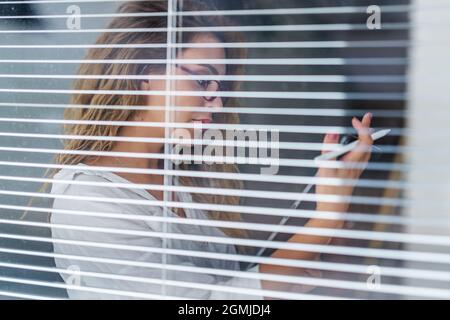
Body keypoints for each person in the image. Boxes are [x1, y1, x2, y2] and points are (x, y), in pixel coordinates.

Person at [49, 1, 374, 299]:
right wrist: (325, 218)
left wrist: (333, 208)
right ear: (145, 75)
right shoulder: (90, 201)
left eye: (221, 88)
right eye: (203, 82)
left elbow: (229, 289)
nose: (216, 103)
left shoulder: (171, 177)